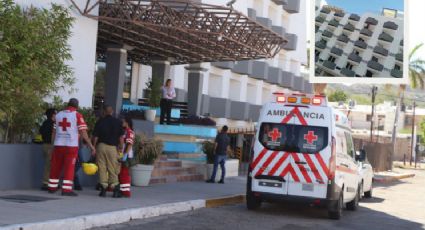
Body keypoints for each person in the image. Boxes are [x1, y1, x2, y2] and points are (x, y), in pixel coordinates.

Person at [48, 98, 96, 196]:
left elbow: (54, 132)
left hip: (58, 145)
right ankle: (66, 190)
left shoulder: (58, 115)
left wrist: (52, 145)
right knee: (69, 167)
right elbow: (83, 132)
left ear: (67, 104)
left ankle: (52, 187)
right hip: (71, 146)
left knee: (55, 166)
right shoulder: (77, 115)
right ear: (77, 106)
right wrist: (91, 146)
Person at [92, 105, 124, 198]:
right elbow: (121, 137)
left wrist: (93, 148)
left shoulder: (100, 121)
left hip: (101, 146)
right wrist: (120, 148)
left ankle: (103, 188)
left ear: (104, 112)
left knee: (101, 167)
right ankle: (115, 189)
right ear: (112, 111)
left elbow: (95, 137)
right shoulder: (118, 122)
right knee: (112, 167)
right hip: (112, 148)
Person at [39, 108, 57, 191]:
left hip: (44, 145)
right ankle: (46, 183)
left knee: (49, 164)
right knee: (49, 165)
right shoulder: (53, 124)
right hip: (50, 146)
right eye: (55, 113)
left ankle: (50, 183)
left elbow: (41, 132)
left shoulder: (44, 123)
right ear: (53, 115)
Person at [118, 116, 135, 198]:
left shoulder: (129, 132)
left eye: (123, 122)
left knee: (124, 173)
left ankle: (126, 192)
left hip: (127, 155)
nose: (122, 123)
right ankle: (122, 190)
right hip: (123, 155)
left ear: (127, 123)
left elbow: (129, 144)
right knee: (121, 173)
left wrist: (124, 155)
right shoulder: (125, 131)